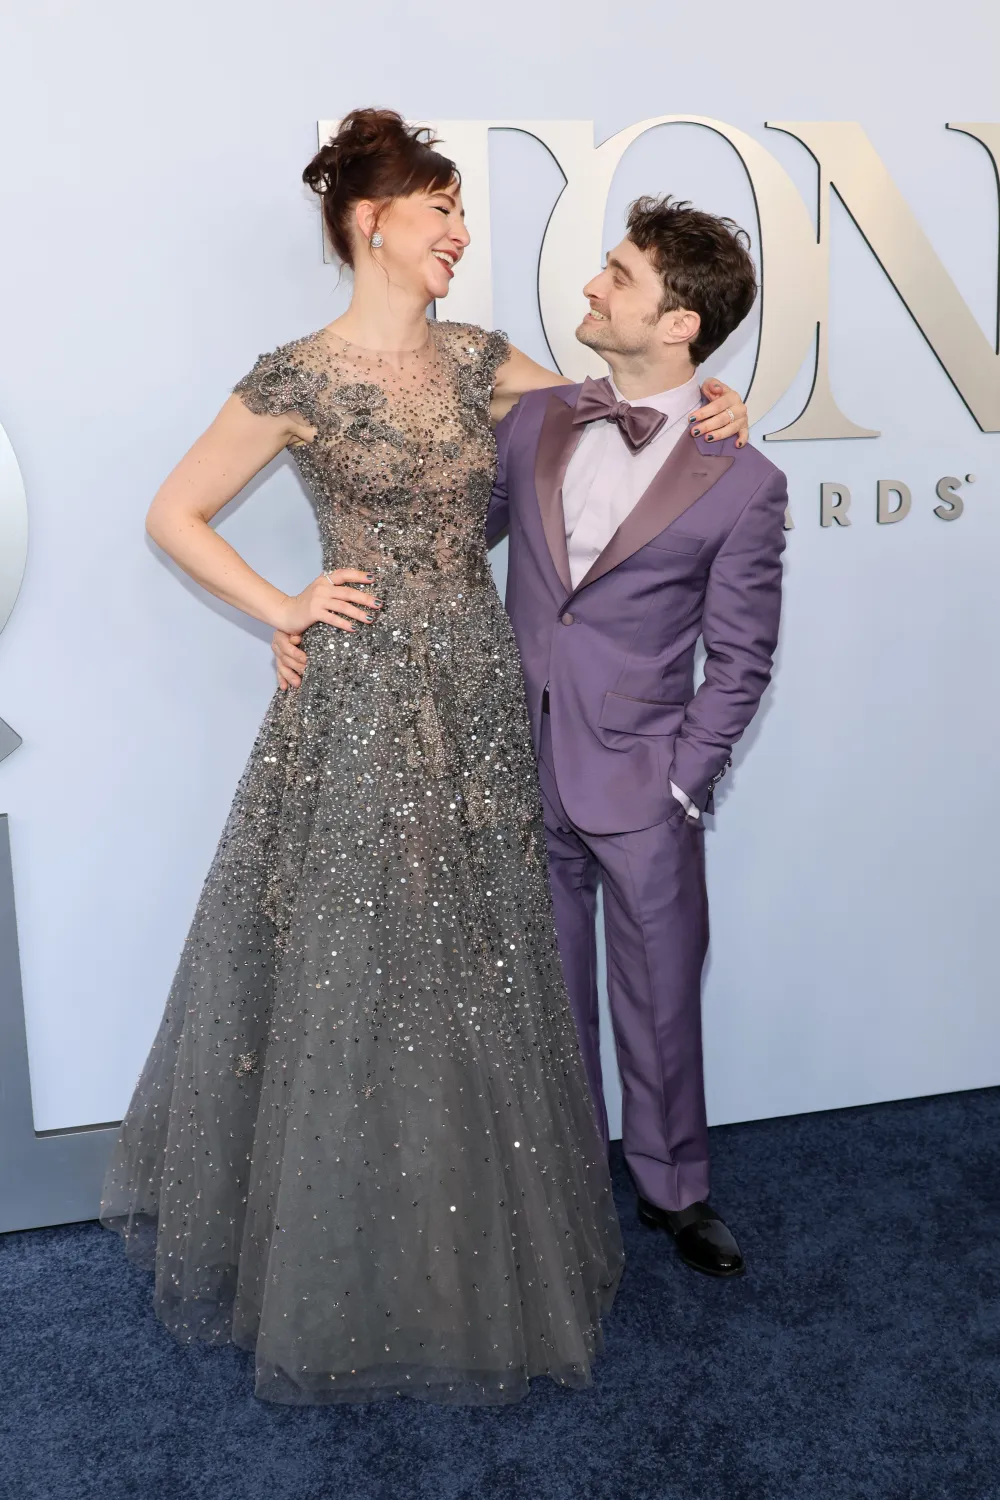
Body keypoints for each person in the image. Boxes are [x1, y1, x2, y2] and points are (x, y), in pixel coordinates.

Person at [102, 109, 749, 1405]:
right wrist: (284, 606)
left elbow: (615, 411)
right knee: (359, 961)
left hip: (477, 688)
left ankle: (465, 1218)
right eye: (440, 208)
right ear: (371, 223)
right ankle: (344, 1240)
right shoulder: (295, 376)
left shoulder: (477, 359)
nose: (459, 230)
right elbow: (174, 511)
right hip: (357, 702)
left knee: (481, 956)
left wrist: (712, 400)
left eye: (459, 209)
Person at [277, 193, 787, 1282]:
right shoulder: (539, 418)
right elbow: (437, 547)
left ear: (679, 323)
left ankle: (675, 1190)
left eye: (619, 276)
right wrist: (305, 614)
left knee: (658, 997)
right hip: (506, 758)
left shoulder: (744, 480)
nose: (592, 286)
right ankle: (560, 1176)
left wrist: (684, 783)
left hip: (643, 781)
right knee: (539, 993)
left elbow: (742, 659)